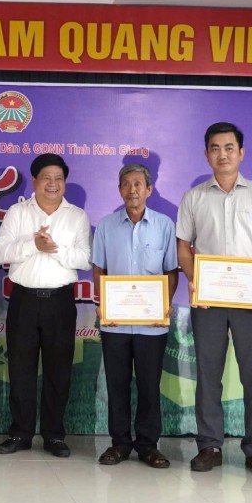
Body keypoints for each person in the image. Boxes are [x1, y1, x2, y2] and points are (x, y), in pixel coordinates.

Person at [176, 121, 252, 476]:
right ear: (206, 153)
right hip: (208, 301)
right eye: (214, 148)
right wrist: (194, 282)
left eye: (228, 147)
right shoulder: (193, 197)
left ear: (241, 152)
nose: (222, 154)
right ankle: (209, 446)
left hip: (251, 301)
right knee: (207, 375)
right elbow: (183, 247)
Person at [0, 153, 90, 458]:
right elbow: (0, 253)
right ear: (35, 181)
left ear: (65, 182)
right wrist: (32, 246)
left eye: (58, 178)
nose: (53, 184)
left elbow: (85, 258)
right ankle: (20, 433)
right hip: (23, 299)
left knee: (58, 370)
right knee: (20, 369)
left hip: (60, 302)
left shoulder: (77, 216)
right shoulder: (17, 212)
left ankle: (54, 435)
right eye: (46, 178)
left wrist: (55, 249)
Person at [91, 164, 178, 469]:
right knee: (117, 384)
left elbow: (171, 271)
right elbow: (99, 269)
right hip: (115, 322)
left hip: (152, 324)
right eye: (126, 184)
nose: (132, 190)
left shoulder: (165, 225)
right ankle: (119, 444)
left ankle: (147, 445)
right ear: (119, 190)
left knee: (149, 385)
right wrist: (102, 302)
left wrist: (163, 303)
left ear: (149, 189)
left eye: (138, 184)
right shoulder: (105, 226)